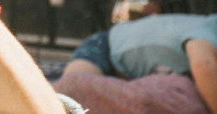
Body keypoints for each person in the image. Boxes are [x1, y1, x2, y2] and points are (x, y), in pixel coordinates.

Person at [59, 13, 217, 113]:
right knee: (69, 96)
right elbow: (203, 66)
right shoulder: (208, 29)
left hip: (130, 77)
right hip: (103, 48)